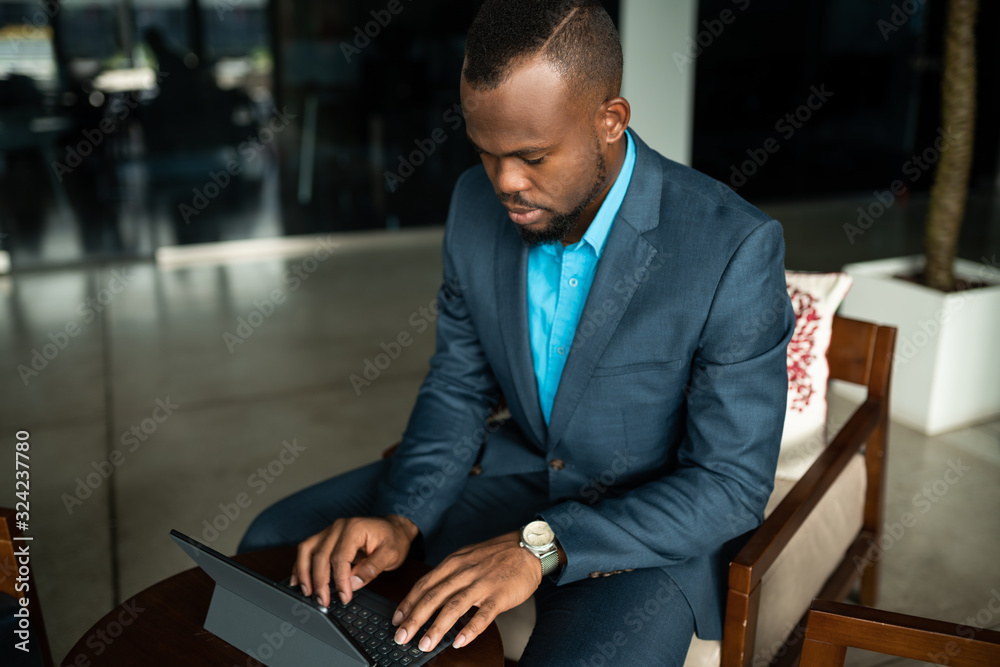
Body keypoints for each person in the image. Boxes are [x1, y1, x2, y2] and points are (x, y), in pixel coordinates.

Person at [239, 1, 794, 663]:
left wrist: (539, 545)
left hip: (645, 528)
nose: (505, 183)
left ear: (610, 121)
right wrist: (402, 515)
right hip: (515, 472)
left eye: (532, 156)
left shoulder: (732, 245)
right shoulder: (473, 204)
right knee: (278, 540)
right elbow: (458, 384)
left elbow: (730, 484)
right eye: (485, 152)